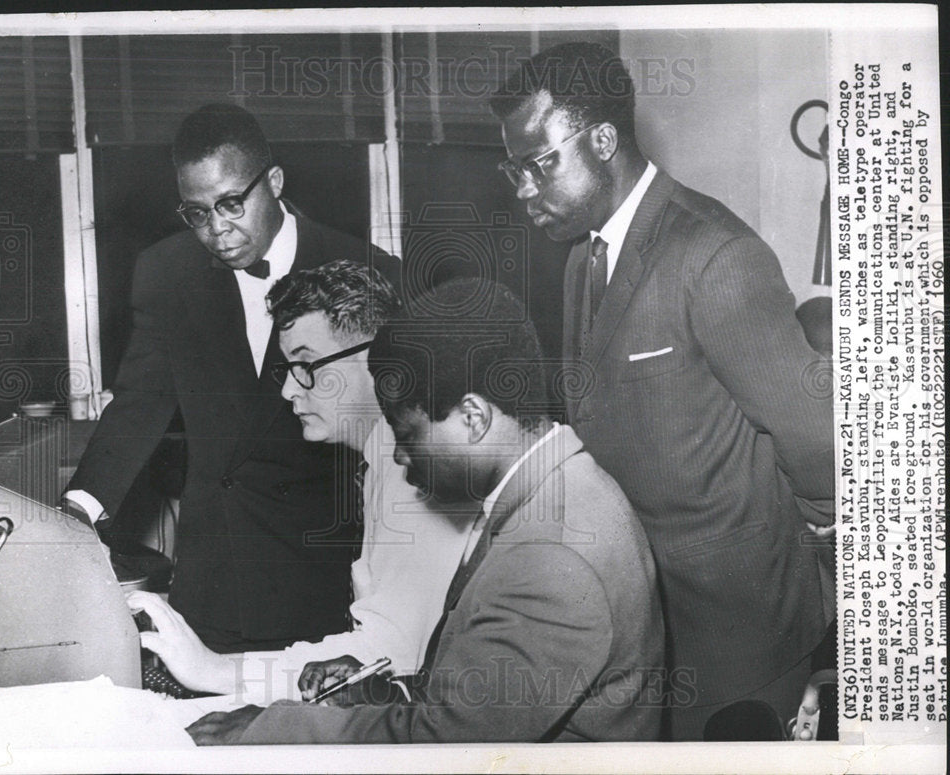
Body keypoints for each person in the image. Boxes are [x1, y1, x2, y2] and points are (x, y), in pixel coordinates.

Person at [489, 42, 835, 739]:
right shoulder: (581, 257)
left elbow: (819, 436)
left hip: (738, 630)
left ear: (604, 139)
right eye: (513, 170)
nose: (524, 191)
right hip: (638, 617)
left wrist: (795, 540)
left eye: (540, 164)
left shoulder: (714, 254)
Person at [183, 278, 665, 744]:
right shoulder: (555, 492)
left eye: (409, 434)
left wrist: (267, 728)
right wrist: (382, 689)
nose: (397, 455)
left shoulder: (552, 555)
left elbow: (446, 740)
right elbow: (483, 700)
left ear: (473, 418)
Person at [65, 103, 401, 653]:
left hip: (323, 578)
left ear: (273, 182)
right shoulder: (165, 272)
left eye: (230, 204)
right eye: (196, 213)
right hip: (213, 582)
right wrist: (82, 507)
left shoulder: (366, 269)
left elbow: (399, 425)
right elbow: (140, 400)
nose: (217, 230)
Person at [126, 261, 472, 702]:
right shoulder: (382, 453)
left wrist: (215, 671)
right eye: (287, 368)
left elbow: (389, 654)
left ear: (375, 357)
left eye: (306, 365)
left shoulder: (412, 470)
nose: (290, 390)